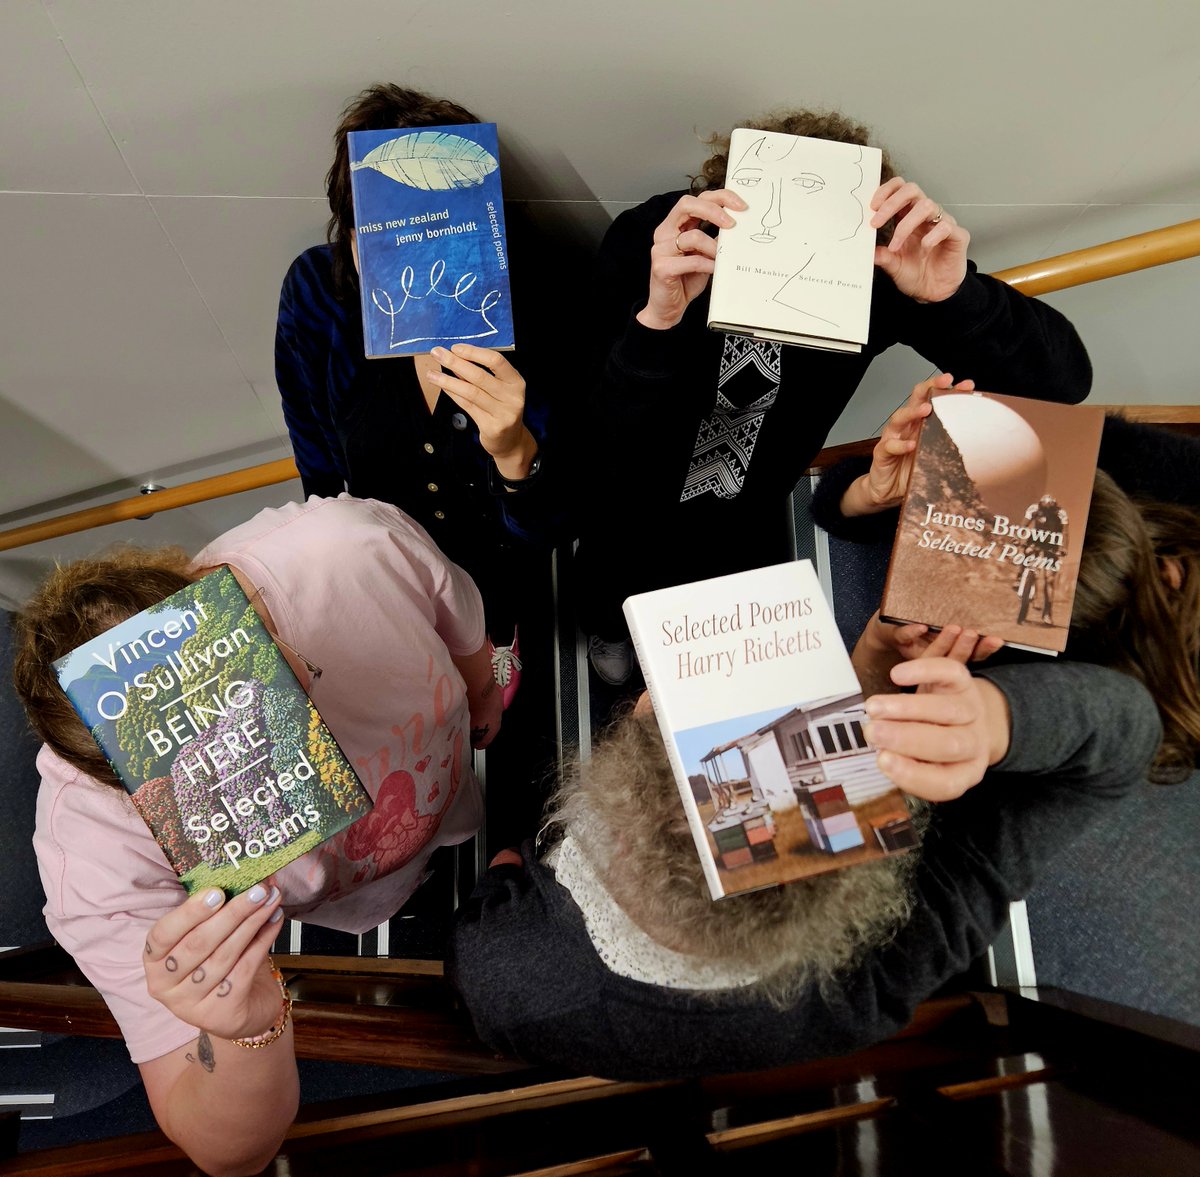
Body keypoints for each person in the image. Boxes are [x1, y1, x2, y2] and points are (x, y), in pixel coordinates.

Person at [12, 496, 497, 1176]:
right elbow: (226, 1152)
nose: (265, 741)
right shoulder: (90, 858)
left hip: (457, 790)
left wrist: (483, 695)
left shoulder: (343, 546)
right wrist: (244, 1031)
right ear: (127, 787)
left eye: (266, 675)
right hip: (353, 904)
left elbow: (466, 630)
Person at [448, 644, 1161, 1079]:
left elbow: (494, 894)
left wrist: (509, 870)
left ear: (620, 836)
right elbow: (1128, 733)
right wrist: (992, 718)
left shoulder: (509, 972)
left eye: (648, 718)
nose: (638, 701)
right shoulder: (889, 961)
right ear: (855, 875)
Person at [574, 108, 1093, 686]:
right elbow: (596, 422)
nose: (786, 229)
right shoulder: (657, 240)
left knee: (726, 578)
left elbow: (1058, 385)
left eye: (819, 212)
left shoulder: (873, 274)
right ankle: (611, 626)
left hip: (757, 492)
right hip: (630, 476)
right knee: (611, 564)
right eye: (772, 205)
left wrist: (953, 296)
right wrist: (659, 318)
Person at [276, 84, 564, 698]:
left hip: (504, 577)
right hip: (391, 579)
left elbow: (550, 526)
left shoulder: (533, 299)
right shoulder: (317, 293)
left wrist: (515, 453)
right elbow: (320, 469)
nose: (409, 241)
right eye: (377, 225)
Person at [812, 377, 1200, 781]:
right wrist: (869, 495)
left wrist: (882, 652)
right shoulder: (1143, 472)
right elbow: (845, 502)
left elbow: (865, 759)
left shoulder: (1120, 724)